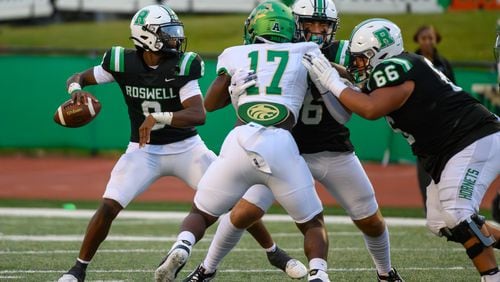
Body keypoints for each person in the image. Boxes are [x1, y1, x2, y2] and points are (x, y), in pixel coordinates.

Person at [56, 4, 300, 282]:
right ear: (146, 36)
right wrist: (76, 90)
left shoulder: (182, 65)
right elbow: (80, 77)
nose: (175, 38)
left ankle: (274, 252)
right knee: (109, 205)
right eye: (168, 33)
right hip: (143, 150)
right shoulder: (122, 62)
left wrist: (157, 117)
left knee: (233, 200)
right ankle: (78, 269)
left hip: (186, 148)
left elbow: (198, 114)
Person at [182, 1, 402, 281]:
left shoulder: (343, 53)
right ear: (294, 24)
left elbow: (358, 93)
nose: (318, 31)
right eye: (309, 24)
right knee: (242, 214)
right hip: (285, 151)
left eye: (324, 25)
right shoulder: (275, 52)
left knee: (369, 218)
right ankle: (206, 269)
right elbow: (223, 101)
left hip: (331, 149)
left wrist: (338, 76)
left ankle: (386, 273)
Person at [302, 18, 500, 281]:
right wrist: (329, 68)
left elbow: (370, 108)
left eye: (362, 59)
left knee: (457, 214)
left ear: (381, 54)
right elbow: (359, 82)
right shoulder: (400, 66)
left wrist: (331, 81)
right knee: (440, 222)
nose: (356, 65)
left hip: (471, 139)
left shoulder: (397, 67)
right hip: (448, 150)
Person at [154, 1, 331, 282]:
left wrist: (234, 87)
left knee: (200, 213)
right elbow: (336, 80)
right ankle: (319, 274)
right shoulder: (306, 50)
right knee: (311, 223)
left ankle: (183, 245)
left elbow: (210, 104)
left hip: (238, 140)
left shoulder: (235, 54)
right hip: (280, 143)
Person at [413, 25, 456, 209]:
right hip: (422, 122)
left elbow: (454, 90)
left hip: (444, 122)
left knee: (448, 163)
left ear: (436, 39)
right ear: (418, 40)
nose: (428, 42)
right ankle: (428, 207)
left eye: (430, 38)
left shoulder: (444, 64)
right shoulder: (413, 62)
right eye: (424, 38)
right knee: (425, 163)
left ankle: (448, 204)